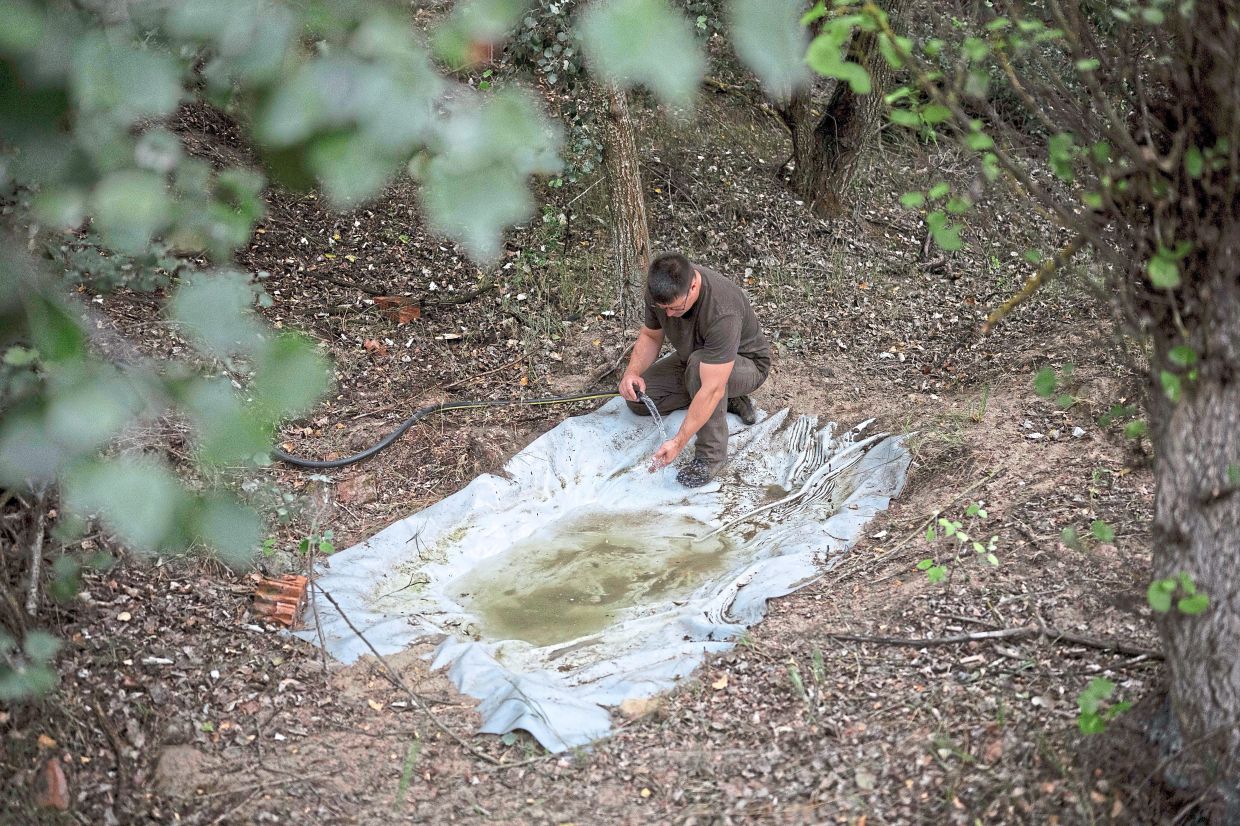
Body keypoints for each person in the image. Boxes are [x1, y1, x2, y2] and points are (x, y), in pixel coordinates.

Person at [618, 252, 772, 487]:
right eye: (664, 308)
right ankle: (727, 399)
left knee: (704, 376)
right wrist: (632, 373)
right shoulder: (659, 291)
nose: (669, 314)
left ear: (693, 287)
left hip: (746, 365)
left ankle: (711, 457)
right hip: (694, 358)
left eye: (675, 308)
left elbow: (711, 389)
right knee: (641, 400)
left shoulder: (722, 309)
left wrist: (678, 442)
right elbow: (650, 336)